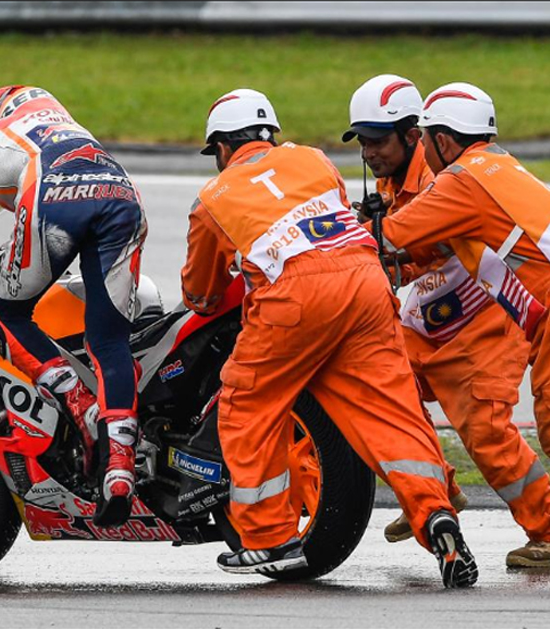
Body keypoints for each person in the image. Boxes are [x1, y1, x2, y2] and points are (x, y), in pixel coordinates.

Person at [181, 88, 477, 587]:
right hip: (365, 285)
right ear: (270, 135)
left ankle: (269, 538)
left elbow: (201, 293)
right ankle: (436, 515)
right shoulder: (313, 159)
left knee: (249, 405)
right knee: (390, 412)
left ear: (223, 148)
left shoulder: (213, 198)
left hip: (294, 299)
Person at [373, 82, 550, 577]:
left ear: (442, 140)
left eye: (425, 138)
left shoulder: (462, 179)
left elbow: (385, 237)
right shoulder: (493, 166)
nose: (422, 149)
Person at [343, 74, 550, 568]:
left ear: (416, 136)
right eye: (362, 141)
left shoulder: (448, 177)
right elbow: (412, 258)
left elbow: (411, 243)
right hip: (431, 315)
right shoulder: (392, 178)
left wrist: (356, 238)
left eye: (378, 140)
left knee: (485, 430)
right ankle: (433, 489)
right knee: (372, 384)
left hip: (487, 316)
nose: (368, 152)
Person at [0, 86, 147, 527]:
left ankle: (80, 406)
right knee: (109, 340)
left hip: (52, 195)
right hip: (121, 192)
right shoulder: (61, 128)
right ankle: (119, 466)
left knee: (4, 314)